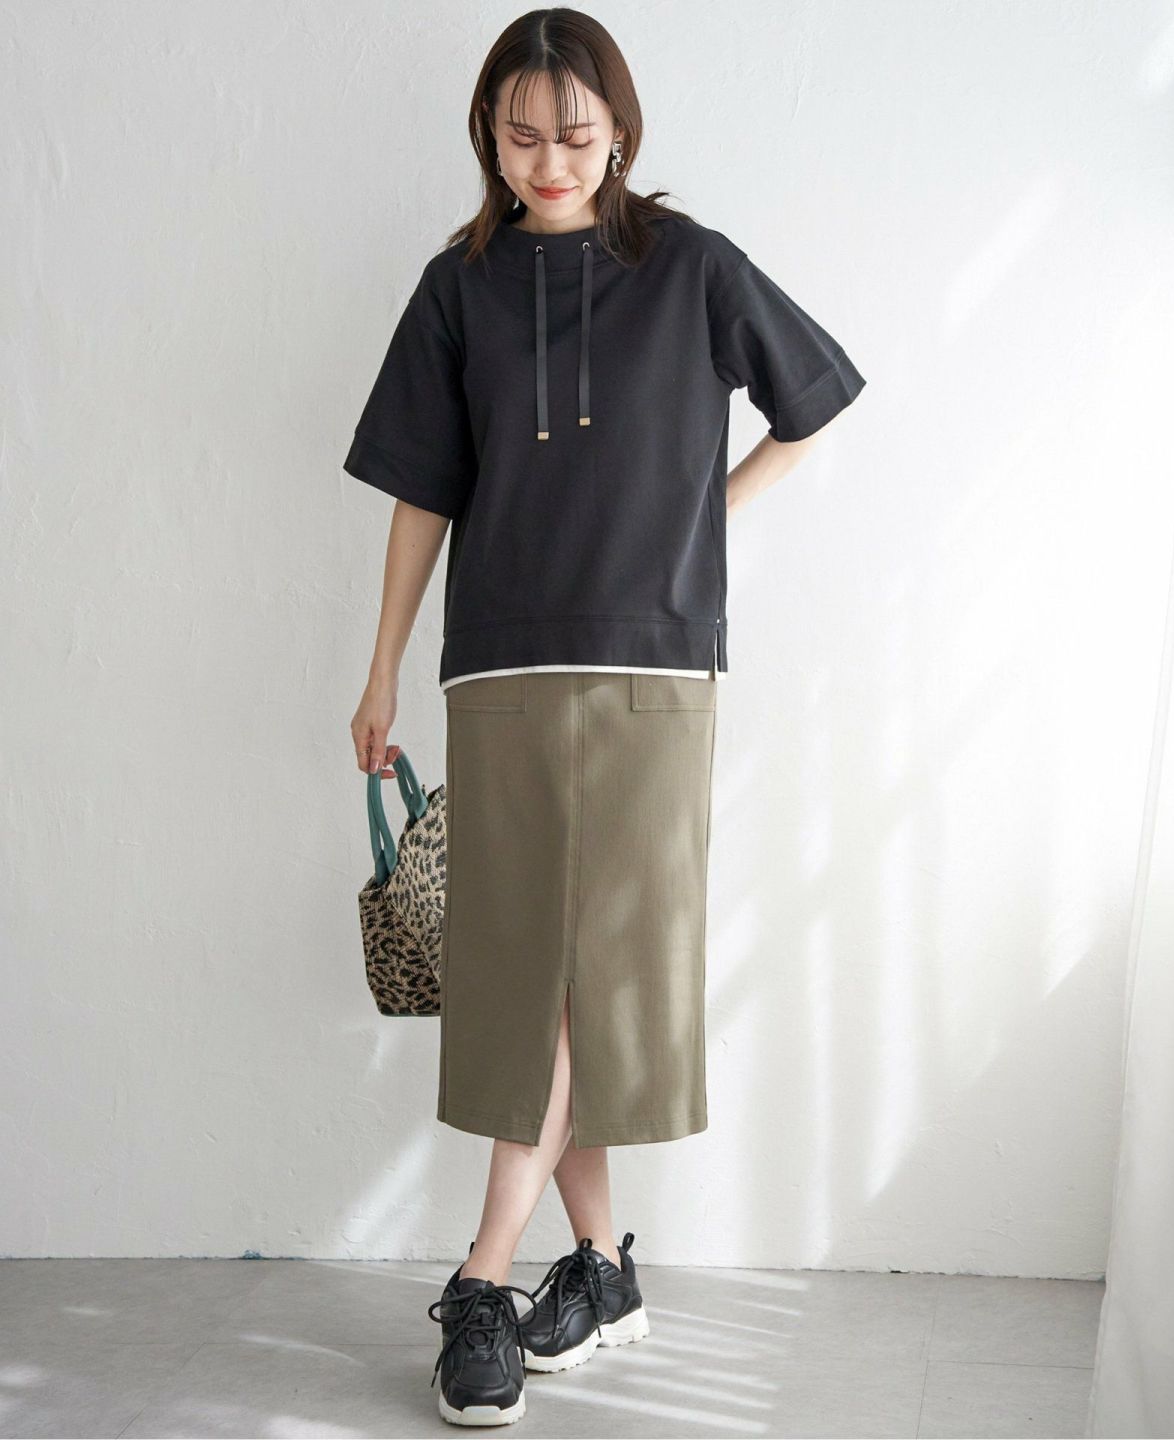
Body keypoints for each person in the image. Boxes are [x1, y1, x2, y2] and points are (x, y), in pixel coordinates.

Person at [345, 8, 866, 1428]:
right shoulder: (456, 289)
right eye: (520, 137)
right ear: (488, 138)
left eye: (575, 136)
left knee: (590, 977)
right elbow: (420, 496)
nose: (550, 162)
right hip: (499, 668)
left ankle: (483, 1274)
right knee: (532, 972)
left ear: (621, 131)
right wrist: (381, 670)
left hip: (652, 671)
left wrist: (703, 515)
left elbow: (813, 403)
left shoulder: (692, 268)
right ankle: (600, 1270)